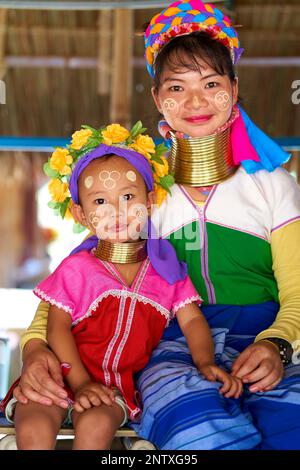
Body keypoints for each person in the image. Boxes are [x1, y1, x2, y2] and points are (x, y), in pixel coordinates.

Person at [7, 0, 300, 450]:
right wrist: (34, 348)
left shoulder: (273, 184)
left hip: (264, 336)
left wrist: (277, 346)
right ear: (158, 99)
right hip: (172, 346)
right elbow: (78, 273)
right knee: (198, 428)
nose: (195, 101)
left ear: (234, 89)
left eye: (211, 83)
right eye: (177, 87)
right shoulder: (142, 185)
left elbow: (297, 290)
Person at [1, 122, 242, 450]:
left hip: (112, 387)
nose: (116, 210)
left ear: (151, 200)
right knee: (34, 425)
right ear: (81, 214)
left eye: (128, 196)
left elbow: (192, 320)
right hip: (58, 377)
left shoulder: (167, 272)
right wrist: (81, 384)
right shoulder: (78, 268)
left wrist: (205, 363)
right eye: (100, 201)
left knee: (97, 425)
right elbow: (56, 330)